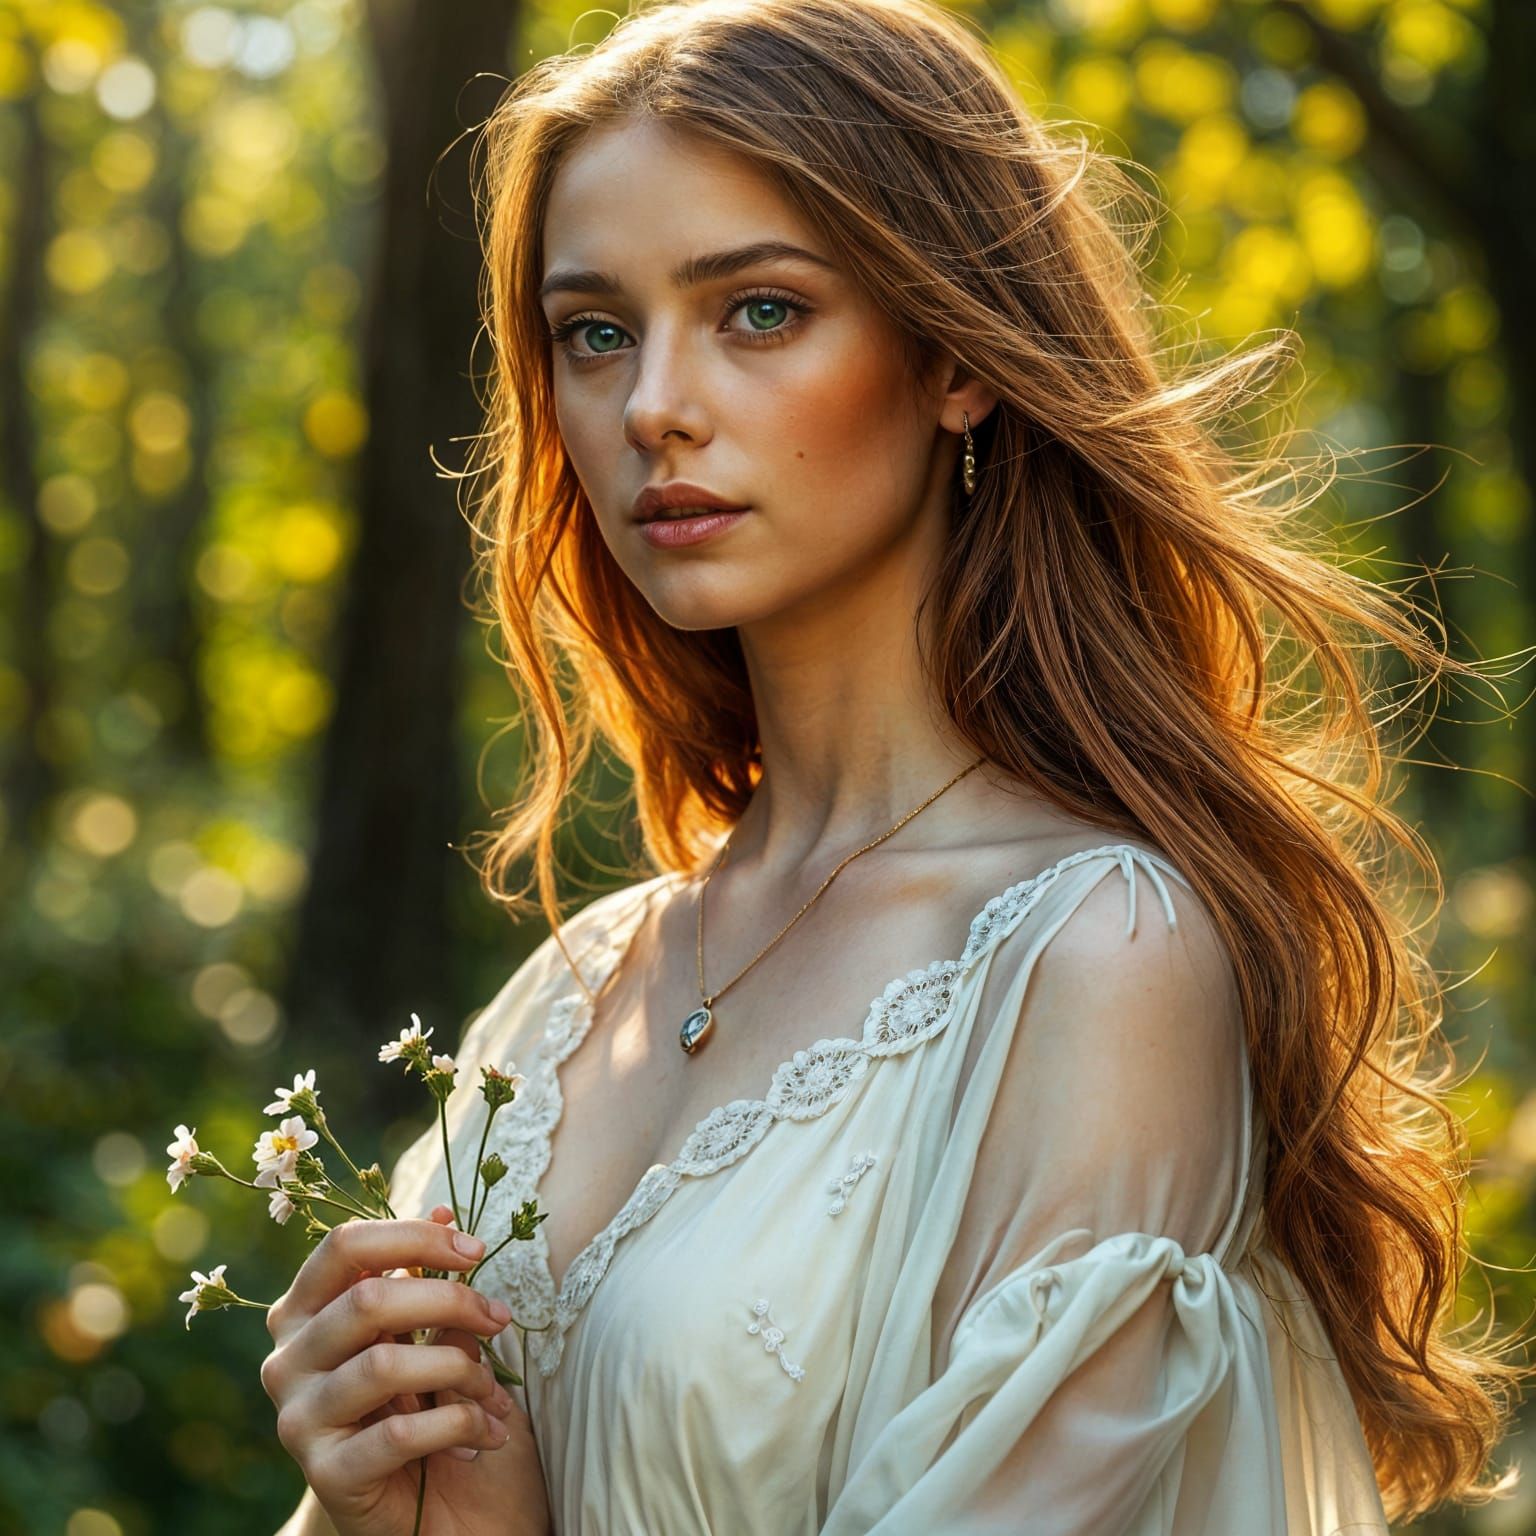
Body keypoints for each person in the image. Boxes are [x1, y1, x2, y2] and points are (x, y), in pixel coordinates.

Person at [262, 0, 1531, 1531]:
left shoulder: (1095, 959)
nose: (654, 403)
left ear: (954, 358)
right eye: (595, 331)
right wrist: (354, 1490)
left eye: (760, 311)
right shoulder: (572, 993)